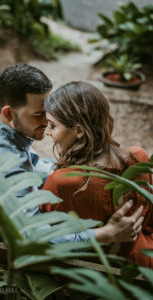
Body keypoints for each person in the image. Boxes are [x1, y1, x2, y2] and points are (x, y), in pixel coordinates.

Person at [0, 65, 144, 263]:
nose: (48, 120)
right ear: (9, 114)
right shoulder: (5, 167)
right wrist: (106, 234)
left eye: (48, 111)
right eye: (38, 114)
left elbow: (32, 164)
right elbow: (36, 239)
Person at [40, 81, 153, 267]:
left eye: (52, 126)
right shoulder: (137, 157)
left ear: (78, 131)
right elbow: (148, 224)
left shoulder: (60, 182)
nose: (47, 132)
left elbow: (47, 242)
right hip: (141, 266)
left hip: (90, 281)